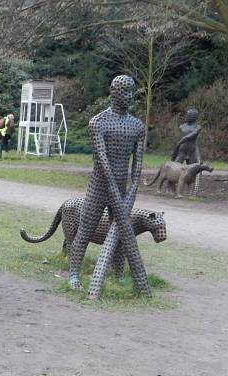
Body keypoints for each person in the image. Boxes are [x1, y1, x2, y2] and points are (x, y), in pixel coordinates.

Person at [66, 75, 151, 299]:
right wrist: (112, 185)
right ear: (114, 93)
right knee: (86, 228)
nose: (129, 97)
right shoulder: (98, 122)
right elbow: (101, 159)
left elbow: (138, 164)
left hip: (123, 188)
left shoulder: (137, 126)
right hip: (99, 185)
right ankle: (73, 273)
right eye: (125, 92)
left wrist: (132, 191)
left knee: (122, 231)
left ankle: (118, 272)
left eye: (132, 92)